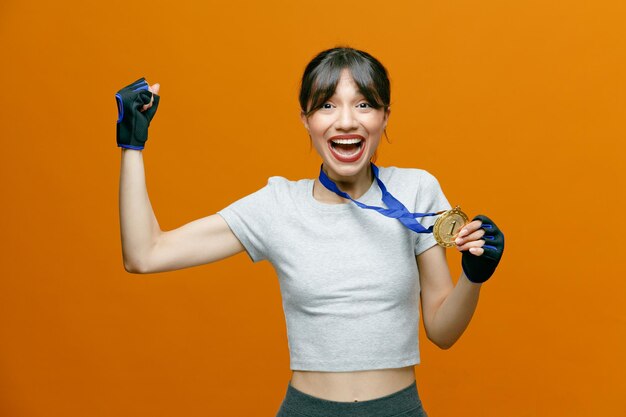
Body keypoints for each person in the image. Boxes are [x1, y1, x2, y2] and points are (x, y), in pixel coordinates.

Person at [117, 47, 504, 417]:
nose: (347, 120)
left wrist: (474, 277)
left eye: (364, 104)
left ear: (385, 116)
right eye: (327, 105)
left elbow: (442, 331)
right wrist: (132, 144)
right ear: (306, 119)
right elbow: (145, 254)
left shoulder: (417, 190)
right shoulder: (278, 204)